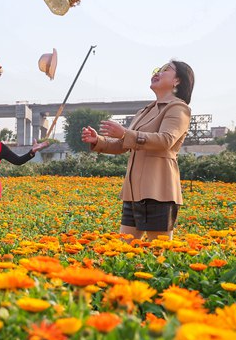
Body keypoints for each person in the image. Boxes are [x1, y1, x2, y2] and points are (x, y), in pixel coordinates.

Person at [81, 60, 194, 240]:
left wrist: (125, 133)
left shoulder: (178, 108)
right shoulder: (144, 111)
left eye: (165, 70)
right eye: (157, 69)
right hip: (133, 191)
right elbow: (124, 144)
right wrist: (99, 140)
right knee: (124, 248)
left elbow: (166, 140)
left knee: (158, 252)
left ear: (177, 81)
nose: (157, 73)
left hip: (158, 191)